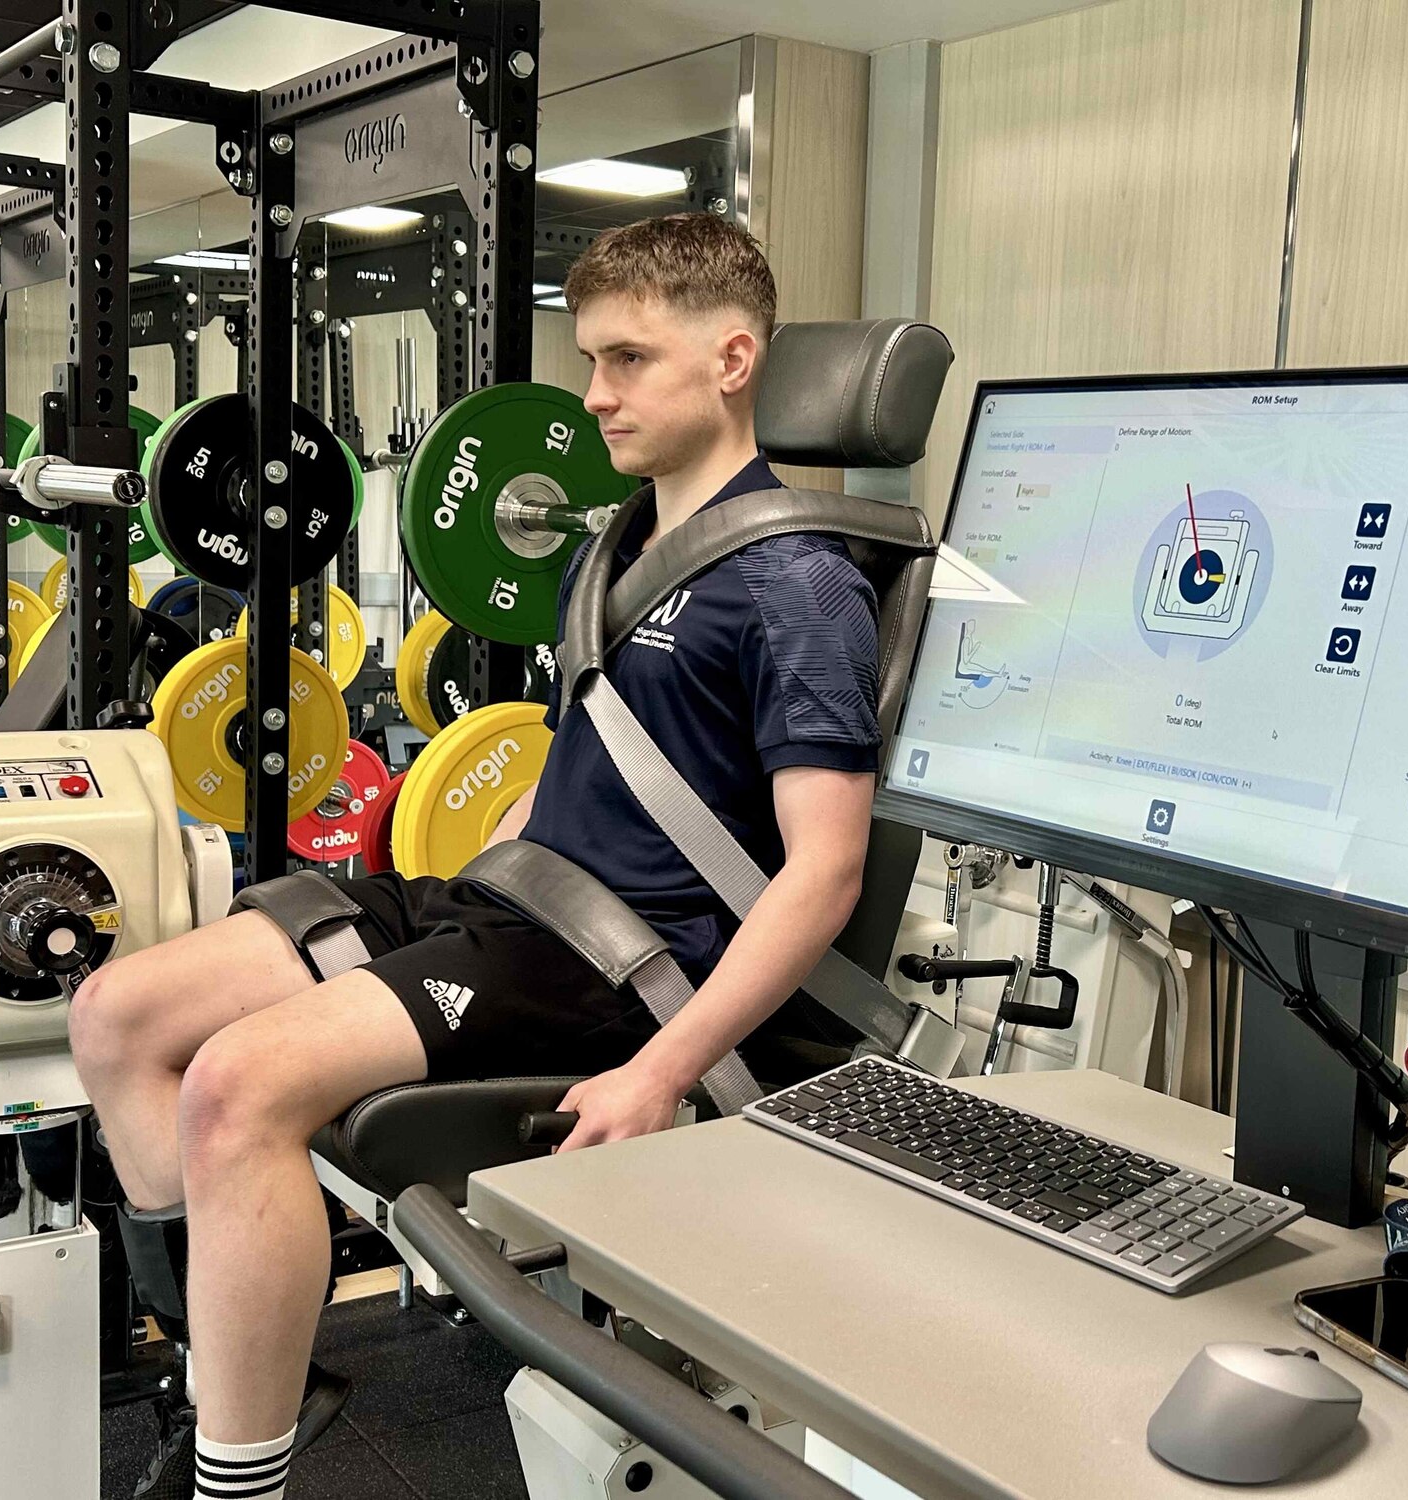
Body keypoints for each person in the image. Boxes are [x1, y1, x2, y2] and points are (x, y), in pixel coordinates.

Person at [68, 211, 886, 1500]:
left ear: (733, 361)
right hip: (506, 905)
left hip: (618, 965)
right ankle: (226, 1370)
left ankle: (239, 1474)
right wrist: (434, 892)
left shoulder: (795, 583)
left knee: (234, 1087)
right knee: (120, 1013)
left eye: (627, 360)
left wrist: (660, 1072)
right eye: (591, 360)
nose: (594, 395)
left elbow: (824, 872)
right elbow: (590, 764)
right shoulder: (625, 548)